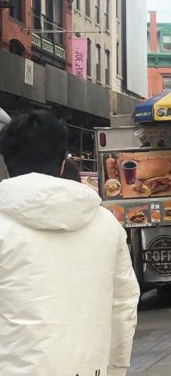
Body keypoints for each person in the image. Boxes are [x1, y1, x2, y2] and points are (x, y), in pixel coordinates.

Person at [0, 110, 139, 376]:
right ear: (63, 163)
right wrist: (116, 368)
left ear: (7, 162)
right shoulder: (106, 224)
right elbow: (123, 305)